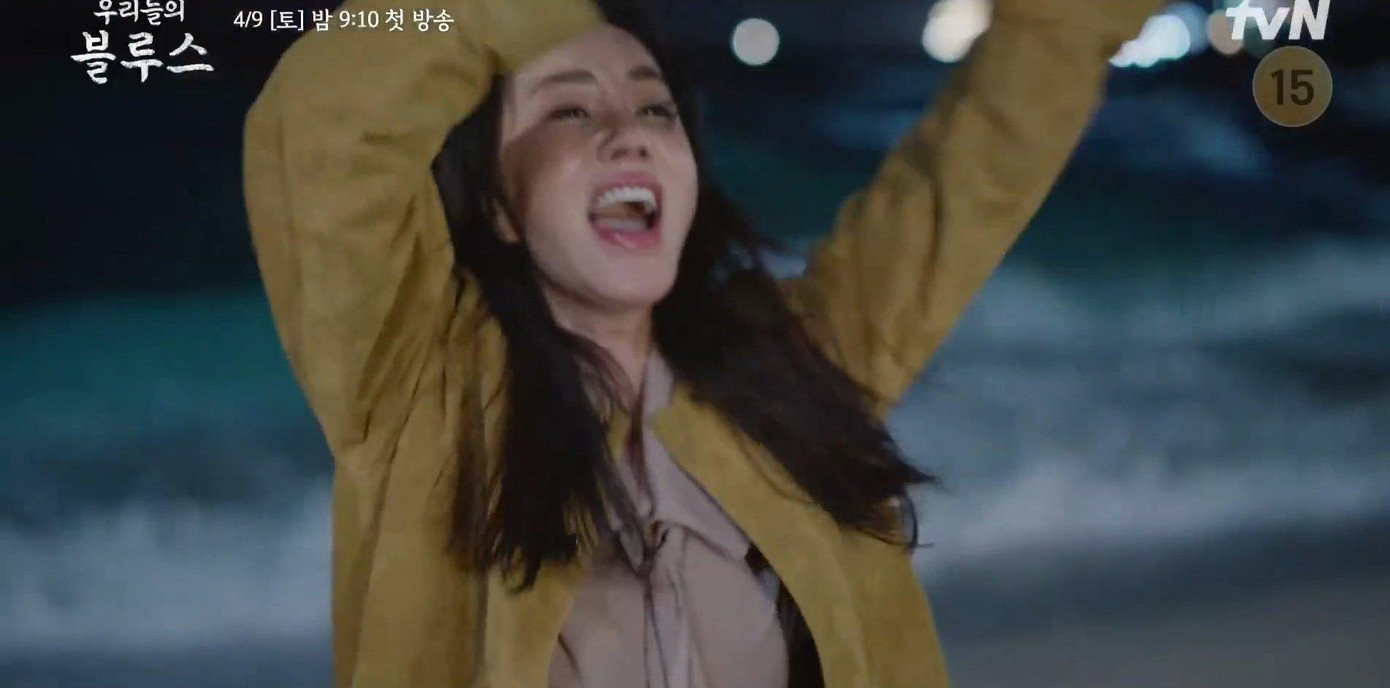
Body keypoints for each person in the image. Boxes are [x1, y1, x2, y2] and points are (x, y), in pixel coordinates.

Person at [242, 0, 1160, 686]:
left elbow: (980, 161)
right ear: (496, 204)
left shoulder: (799, 359)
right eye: (569, 111)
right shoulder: (417, 389)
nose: (629, 135)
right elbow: (325, 126)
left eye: (656, 110)